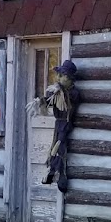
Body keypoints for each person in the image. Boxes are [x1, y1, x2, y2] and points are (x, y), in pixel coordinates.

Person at [42, 60, 82, 192]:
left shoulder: (74, 93)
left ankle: (60, 176)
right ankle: (52, 172)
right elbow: (49, 101)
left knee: (60, 147)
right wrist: (43, 100)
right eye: (58, 74)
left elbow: (67, 100)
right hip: (58, 122)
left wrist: (58, 91)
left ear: (70, 78)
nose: (58, 78)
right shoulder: (58, 91)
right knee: (55, 147)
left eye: (62, 75)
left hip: (66, 123)